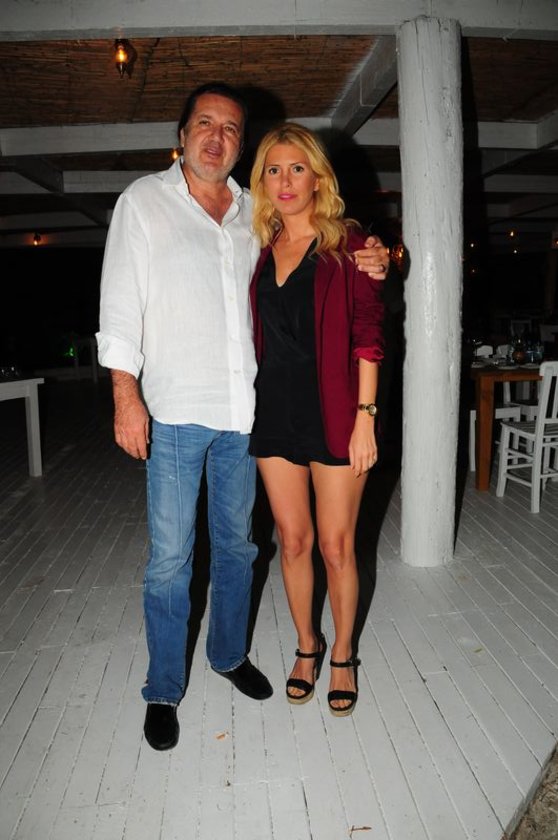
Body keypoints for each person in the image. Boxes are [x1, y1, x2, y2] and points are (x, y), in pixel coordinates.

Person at [97, 82, 390, 750]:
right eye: (204, 123)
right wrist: (124, 396)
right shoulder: (144, 201)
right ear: (182, 136)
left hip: (245, 414)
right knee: (172, 561)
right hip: (176, 410)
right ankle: (163, 688)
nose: (217, 137)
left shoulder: (254, 215)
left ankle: (231, 655)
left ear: (241, 147)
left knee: (240, 549)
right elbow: (119, 306)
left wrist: (378, 254)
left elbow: (352, 289)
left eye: (230, 128)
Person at [248, 123, 384, 716]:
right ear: (262, 181)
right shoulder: (259, 246)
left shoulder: (350, 246)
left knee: (336, 545)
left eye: (297, 168)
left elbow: (369, 335)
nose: (285, 180)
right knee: (294, 540)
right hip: (274, 413)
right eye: (273, 169)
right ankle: (308, 644)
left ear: (318, 178)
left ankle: (344, 653)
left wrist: (366, 418)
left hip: (336, 413)